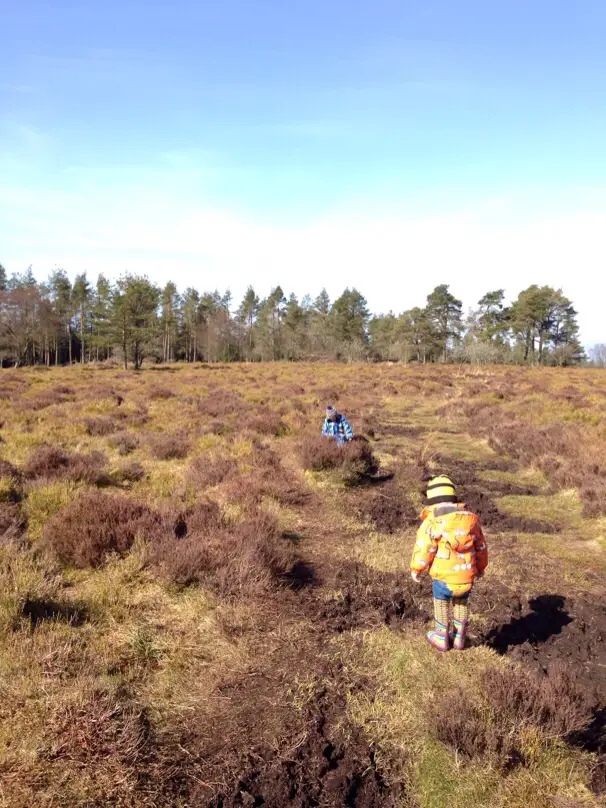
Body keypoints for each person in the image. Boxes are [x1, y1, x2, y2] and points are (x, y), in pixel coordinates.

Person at [410, 476, 487, 651]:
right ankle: (459, 638)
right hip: (466, 577)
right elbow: (481, 547)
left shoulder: (432, 522)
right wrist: (480, 568)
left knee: (441, 603)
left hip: (443, 577)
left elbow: (424, 548)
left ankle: (441, 637)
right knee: (461, 603)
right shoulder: (471, 521)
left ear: (432, 503)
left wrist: (417, 568)